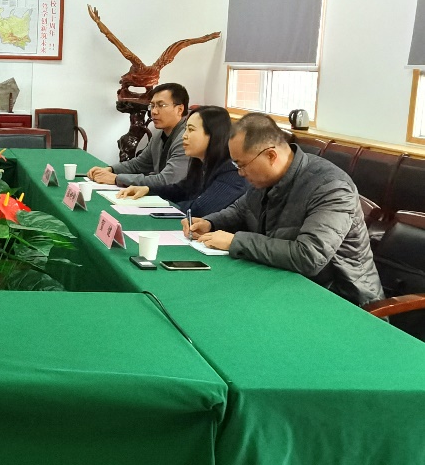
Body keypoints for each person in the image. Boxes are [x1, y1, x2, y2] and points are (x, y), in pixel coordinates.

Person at [187, 113, 384, 306]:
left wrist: (235, 242)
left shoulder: (331, 188)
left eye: (242, 165)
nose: (240, 173)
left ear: (271, 155)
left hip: (341, 300)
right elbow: (242, 209)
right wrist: (210, 222)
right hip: (286, 284)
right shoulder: (266, 178)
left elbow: (309, 257)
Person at [115, 106, 248, 218]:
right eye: (185, 129)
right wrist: (148, 190)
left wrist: (158, 205)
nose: (184, 136)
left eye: (191, 130)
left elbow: (199, 210)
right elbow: (181, 189)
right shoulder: (201, 163)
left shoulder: (232, 172)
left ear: (214, 134)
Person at [87, 82, 189, 187]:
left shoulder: (187, 138)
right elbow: (138, 164)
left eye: (161, 105)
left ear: (179, 109)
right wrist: (110, 169)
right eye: (152, 106)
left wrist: (116, 179)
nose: (154, 111)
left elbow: (166, 180)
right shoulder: (159, 135)